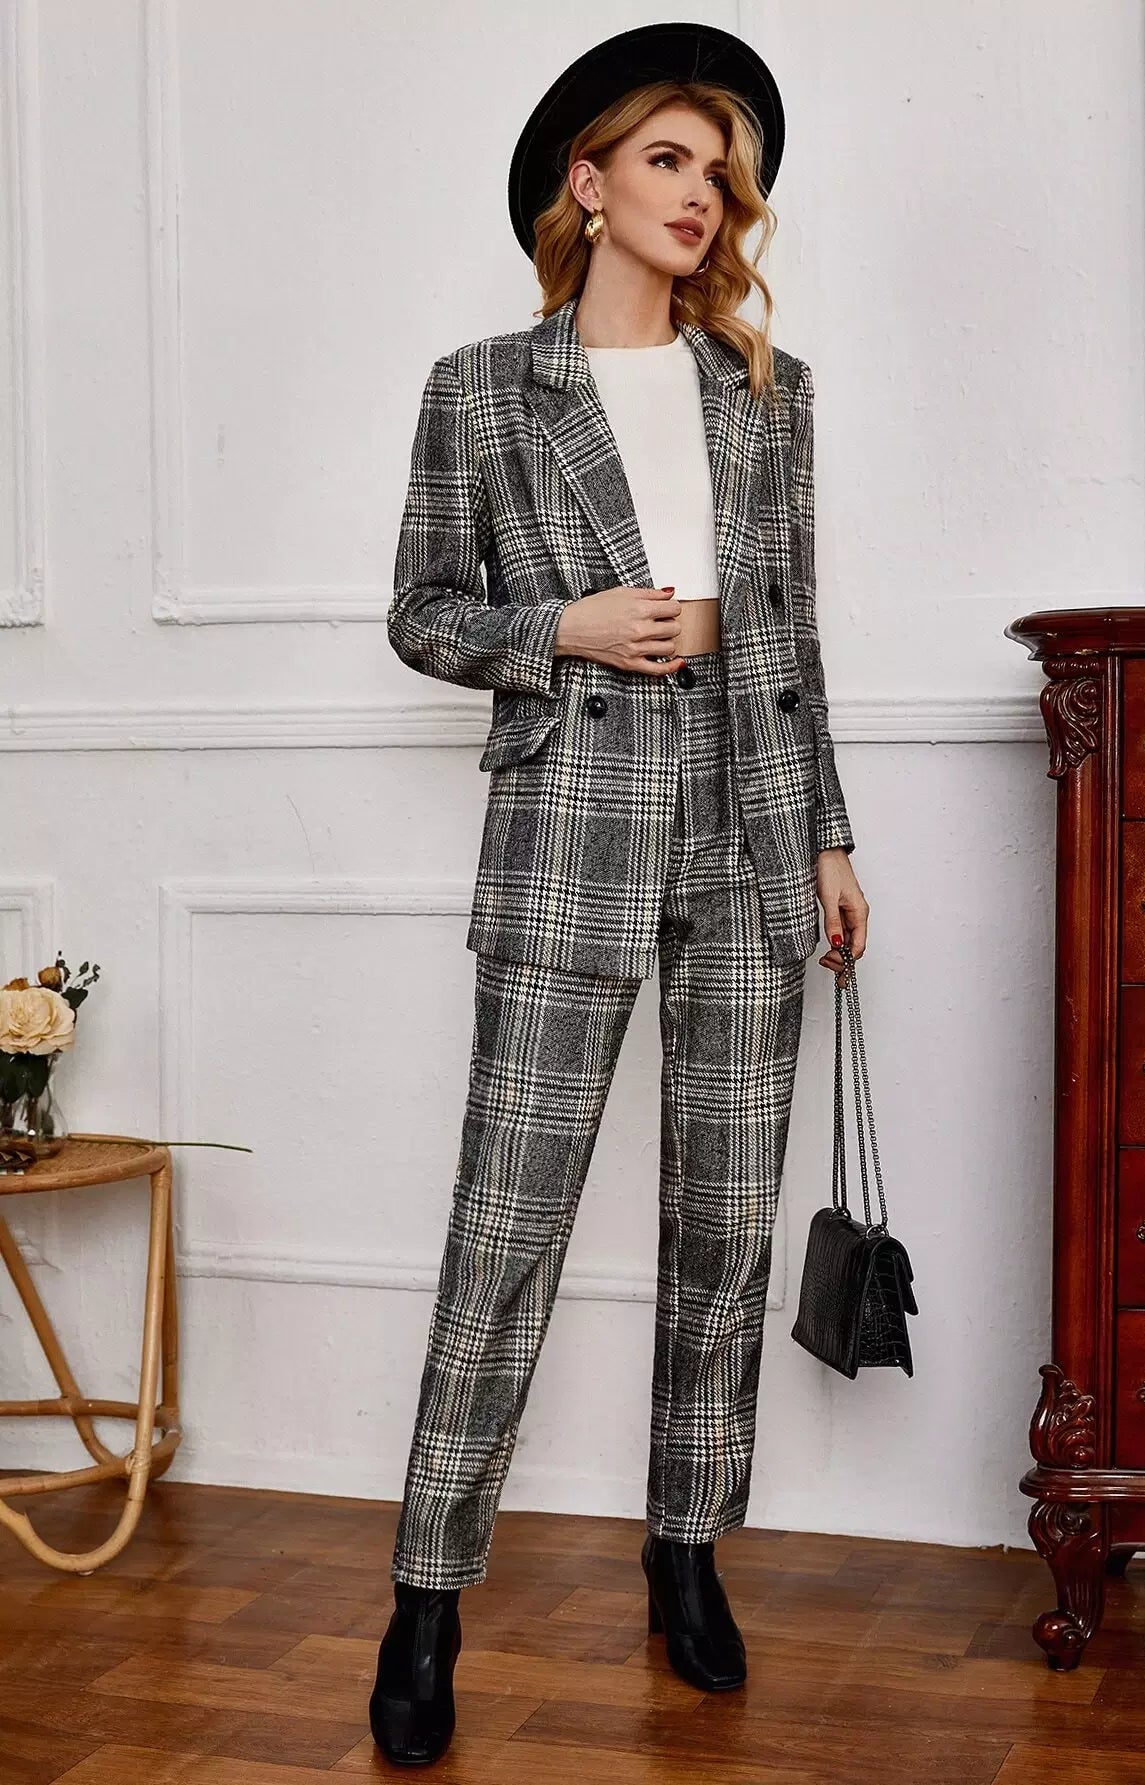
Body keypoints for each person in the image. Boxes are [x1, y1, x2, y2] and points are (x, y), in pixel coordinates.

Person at [368, 21, 870, 1765]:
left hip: (748, 818)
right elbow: (423, 611)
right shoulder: (480, 387)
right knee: (506, 1225)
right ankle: (427, 1595)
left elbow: (792, 635)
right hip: (573, 812)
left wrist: (828, 835)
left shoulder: (767, 388)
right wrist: (562, 628)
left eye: (717, 170)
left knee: (724, 1221)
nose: (700, 193)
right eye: (667, 159)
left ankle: (686, 1549)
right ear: (586, 184)